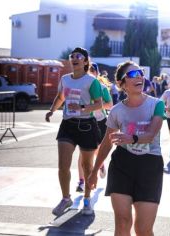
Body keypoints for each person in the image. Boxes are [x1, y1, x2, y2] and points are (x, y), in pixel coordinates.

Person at [88, 61, 165, 236]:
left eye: (140, 73)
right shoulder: (116, 111)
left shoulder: (156, 105)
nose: (138, 76)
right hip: (122, 165)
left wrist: (132, 138)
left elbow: (151, 134)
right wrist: (93, 172)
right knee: (122, 222)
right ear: (121, 84)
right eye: (132, 74)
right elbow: (107, 143)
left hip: (149, 167)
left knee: (143, 229)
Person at [45, 47, 103, 216]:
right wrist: (51, 110)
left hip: (87, 126)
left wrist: (82, 107)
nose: (74, 58)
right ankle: (65, 198)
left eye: (79, 56)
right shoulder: (65, 79)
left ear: (85, 61)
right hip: (68, 125)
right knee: (63, 165)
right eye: (72, 56)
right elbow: (60, 97)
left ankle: (86, 198)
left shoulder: (91, 81)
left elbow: (99, 104)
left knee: (87, 166)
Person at [75, 62, 113, 193]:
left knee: (96, 150)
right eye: (87, 70)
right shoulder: (81, 86)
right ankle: (81, 182)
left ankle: (100, 164)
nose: (89, 72)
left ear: (96, 73)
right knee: (82, 153)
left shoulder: (102, 87)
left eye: (92, 70)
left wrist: (96, 105)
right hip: (85, 122)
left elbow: (110, 105)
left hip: (100, 122)